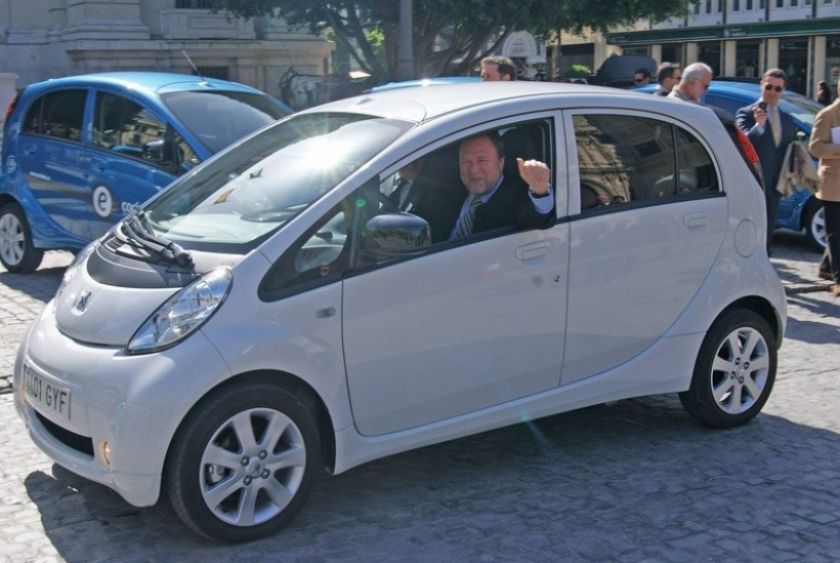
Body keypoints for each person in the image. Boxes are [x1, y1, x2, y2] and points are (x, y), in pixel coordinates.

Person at [448, 132, 553, 240]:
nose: (473, 170)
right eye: (465, 162)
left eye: (482, 160)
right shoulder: (451, 187)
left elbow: (536, 219)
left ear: (501, 163)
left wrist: (540, 191)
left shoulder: (515, 196)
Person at [735, 68, 796, 255]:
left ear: (783, 91)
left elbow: (789, 149)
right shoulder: (746, 113)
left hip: (777, 181)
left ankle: (766, 258)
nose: (772, 92)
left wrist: (791, 174)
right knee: (750, 223)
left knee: (770, 224)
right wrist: (758, 126)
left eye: (778, 89)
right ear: (761, 85)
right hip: (754, 179)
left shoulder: (786, 118)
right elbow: (742, 142)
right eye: (769, 86)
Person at [808, 78, 840, 296]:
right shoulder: (828, 114)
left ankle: (826, 268)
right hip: (833, 183)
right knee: (835, 233)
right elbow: (815, 147)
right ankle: (838, 279)